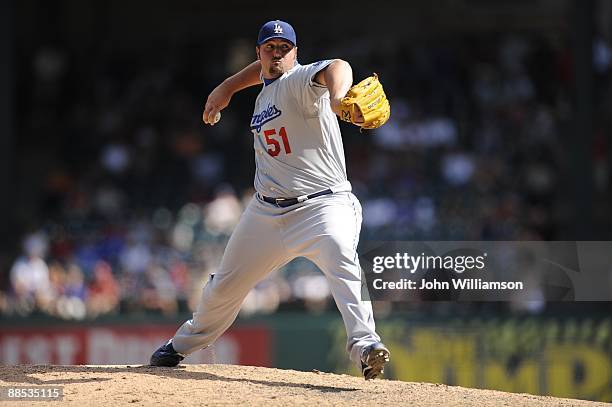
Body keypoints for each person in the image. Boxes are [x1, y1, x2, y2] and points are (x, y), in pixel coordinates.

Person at [150, 20, 390, 380]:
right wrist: (226, 88)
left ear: (296, 53)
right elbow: (262, 73)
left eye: (284, 47)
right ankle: (181, 345)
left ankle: (367, 346)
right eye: (269, 47)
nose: (277, 53)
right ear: (259, 52)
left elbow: (338, 66)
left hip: (323, 206)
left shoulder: (300, 80)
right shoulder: (266, 88)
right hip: (266, 212)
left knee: (342, 258)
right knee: (223, 287)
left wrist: (339, 99)